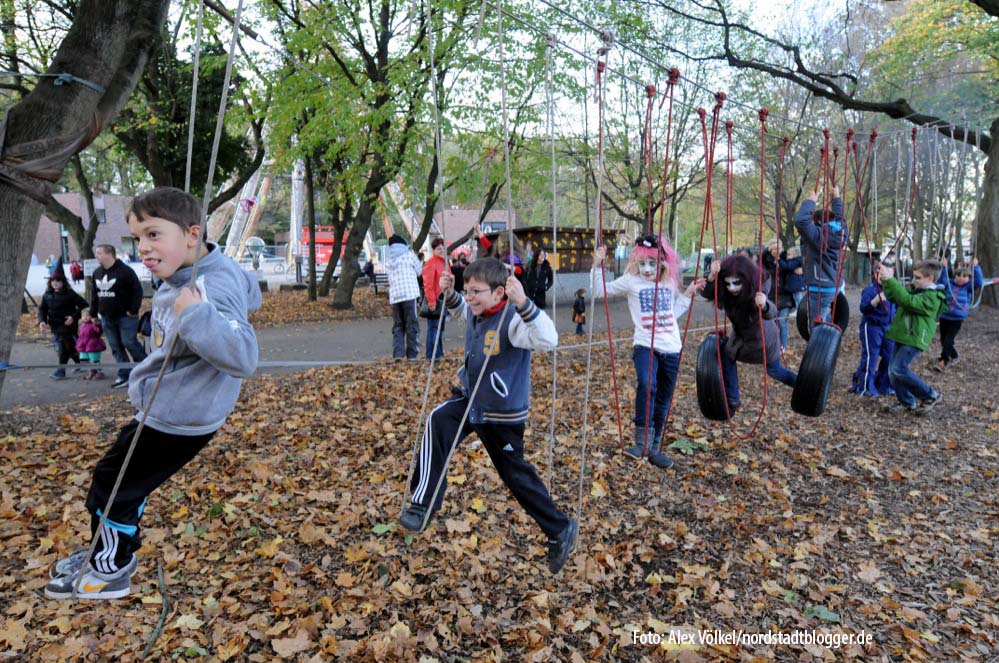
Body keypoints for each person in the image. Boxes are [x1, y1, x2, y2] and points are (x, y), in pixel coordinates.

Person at [44, 186, 260, 600]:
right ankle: (104, 552)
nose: (143, 247)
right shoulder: (199, 270)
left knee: (112, 483)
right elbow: (249, 287)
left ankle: (110, 569)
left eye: (154, 235)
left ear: (192, 236)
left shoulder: (206, 287)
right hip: (171, 408)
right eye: (138, 237)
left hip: (177, 419)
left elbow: (244, 355)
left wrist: (196, 315)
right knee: (125, 482)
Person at [398, 258, 577, 574]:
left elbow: (549, 339)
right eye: (468, 290)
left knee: (515, 477)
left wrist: (523, 301)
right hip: (470, 401)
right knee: (438, 420)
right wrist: (452, 294)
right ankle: (422, 504)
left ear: (499, 293)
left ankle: (560, 528)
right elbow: (461, 313)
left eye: (476, 291)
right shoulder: (476, 311)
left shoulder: (512, 320)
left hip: (502, 415)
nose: (470, 297)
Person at [592, 235, 699, 468]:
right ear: (636, 263)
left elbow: (672, 314)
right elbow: (599, 291)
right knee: (647, 383)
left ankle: (654, 447)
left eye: (652, 263)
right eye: (642, 264)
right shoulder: (631, 281)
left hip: (671, 347)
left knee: (663, 398)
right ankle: (641, 443)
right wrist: (597, 265)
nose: (647, 269)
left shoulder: (669, 283)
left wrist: (688, 294)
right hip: (645, 345)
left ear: (662, 262)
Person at [698, 255, 798, 416]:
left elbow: (771, 312)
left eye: (736, 283)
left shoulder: (756, 289)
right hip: (741, 337)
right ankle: (733, 398)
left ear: (745, 279)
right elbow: (708, 293)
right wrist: (711, 277)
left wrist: (764, 305)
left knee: (775, 370)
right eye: (727, 283)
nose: (732, 288)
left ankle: (802, 386)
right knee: (728, 355)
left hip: (762, 340)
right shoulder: (728, 293)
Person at [878, 259, 947, 414]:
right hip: (904, 335)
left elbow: (907, 300)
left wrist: (891, 280)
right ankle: (907, 402)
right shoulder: (919, 291)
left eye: (917, 277)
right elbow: (897, 297)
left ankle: (930, 395)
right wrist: (886, 281)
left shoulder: (933, 297)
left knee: (898, 368)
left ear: (930, 278)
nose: (914, 280)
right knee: (892, 372)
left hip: (915, 338)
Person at [90, 244, 147, 389]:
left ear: (109, 254)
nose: (96, 256)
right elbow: (94, 295)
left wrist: (133, 310)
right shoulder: (97, 273)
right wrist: (93, 313)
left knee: (129, 342)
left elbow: (137, 291)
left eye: (99, 253)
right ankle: (125, 374)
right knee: (116, 346)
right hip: (107, 317)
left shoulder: (125, 272)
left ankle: (146, 369)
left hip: (126, 316)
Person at [794, 185, 847, 330]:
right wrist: (836, 198)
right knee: (822, 316)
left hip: (820, 286)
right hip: (831, 284)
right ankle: (829, 337)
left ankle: (824, 348)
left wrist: (811, 201)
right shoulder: (840, 231)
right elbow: (841, 218)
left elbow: (801, 222)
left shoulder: (819, 236)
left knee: (816, 325)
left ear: (817, 223)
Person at [850, 261, 896, 397]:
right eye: (883, 274)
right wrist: (875, 301)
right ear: (876, 275)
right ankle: (864, 386)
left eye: (890, 275)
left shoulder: (893, 290)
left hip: (888, 327)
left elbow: (897, 307)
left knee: (890, 356)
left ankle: (884, 384)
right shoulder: (870, 290)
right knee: (871, 357)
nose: (887, 278)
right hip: (871, 327)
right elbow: (863, 308)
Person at [38, 269, 88, 380]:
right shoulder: (47, 295)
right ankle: (80, 363)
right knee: (69, 346)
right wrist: (42, 321)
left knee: (63, 347)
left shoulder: (70, 294)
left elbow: (84, 304)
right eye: (53, 280)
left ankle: (61, 371)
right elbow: (42, 309)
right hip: (55, 326)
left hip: (68, 326)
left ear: (63, 282)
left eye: (58, 280)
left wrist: (73, 317)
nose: (55, 282)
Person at [934, 258, 983, 371]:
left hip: (957, 319)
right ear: (954, 276)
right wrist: (944, 267)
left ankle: (944, 361)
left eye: (964, 276)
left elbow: (979, 282)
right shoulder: (949, 285)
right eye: (958, 276)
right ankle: (955, 356)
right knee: (943, 339)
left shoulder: (968, 288)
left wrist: (975, 267)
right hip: (945, 316)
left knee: (948, 340)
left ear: (969, 278)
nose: (961, 278)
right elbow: (941, 281)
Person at [385, 235, 422, 359]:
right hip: (409, 294)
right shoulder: (409, 255)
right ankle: (412, 354)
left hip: (395, 296)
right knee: (411, 324)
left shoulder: (389, 259)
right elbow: (419, 271)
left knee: (398, 325)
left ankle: (398, 354)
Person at [422, 237, 449, 361]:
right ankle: (433, 355)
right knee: (434, 329)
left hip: (444, 300)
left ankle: (437, 353)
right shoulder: (431, 263)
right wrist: (432, 301)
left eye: (443, 248)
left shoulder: (445, 263)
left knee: (439, 329)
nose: (441, 250)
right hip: (436, 301)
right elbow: (428, 284)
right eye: (439, 248)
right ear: (433, 250)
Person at [76, 309, 107, 380]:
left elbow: (99, 332)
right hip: (84, 345)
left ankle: (100, 372)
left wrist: (98, 325)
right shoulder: (82, 325)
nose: (85, 317)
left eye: (88, 315)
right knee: (84, 359)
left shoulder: (93, 324)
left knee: (94, 359)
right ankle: (92, 371)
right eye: (83, 316)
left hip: (93, 345)